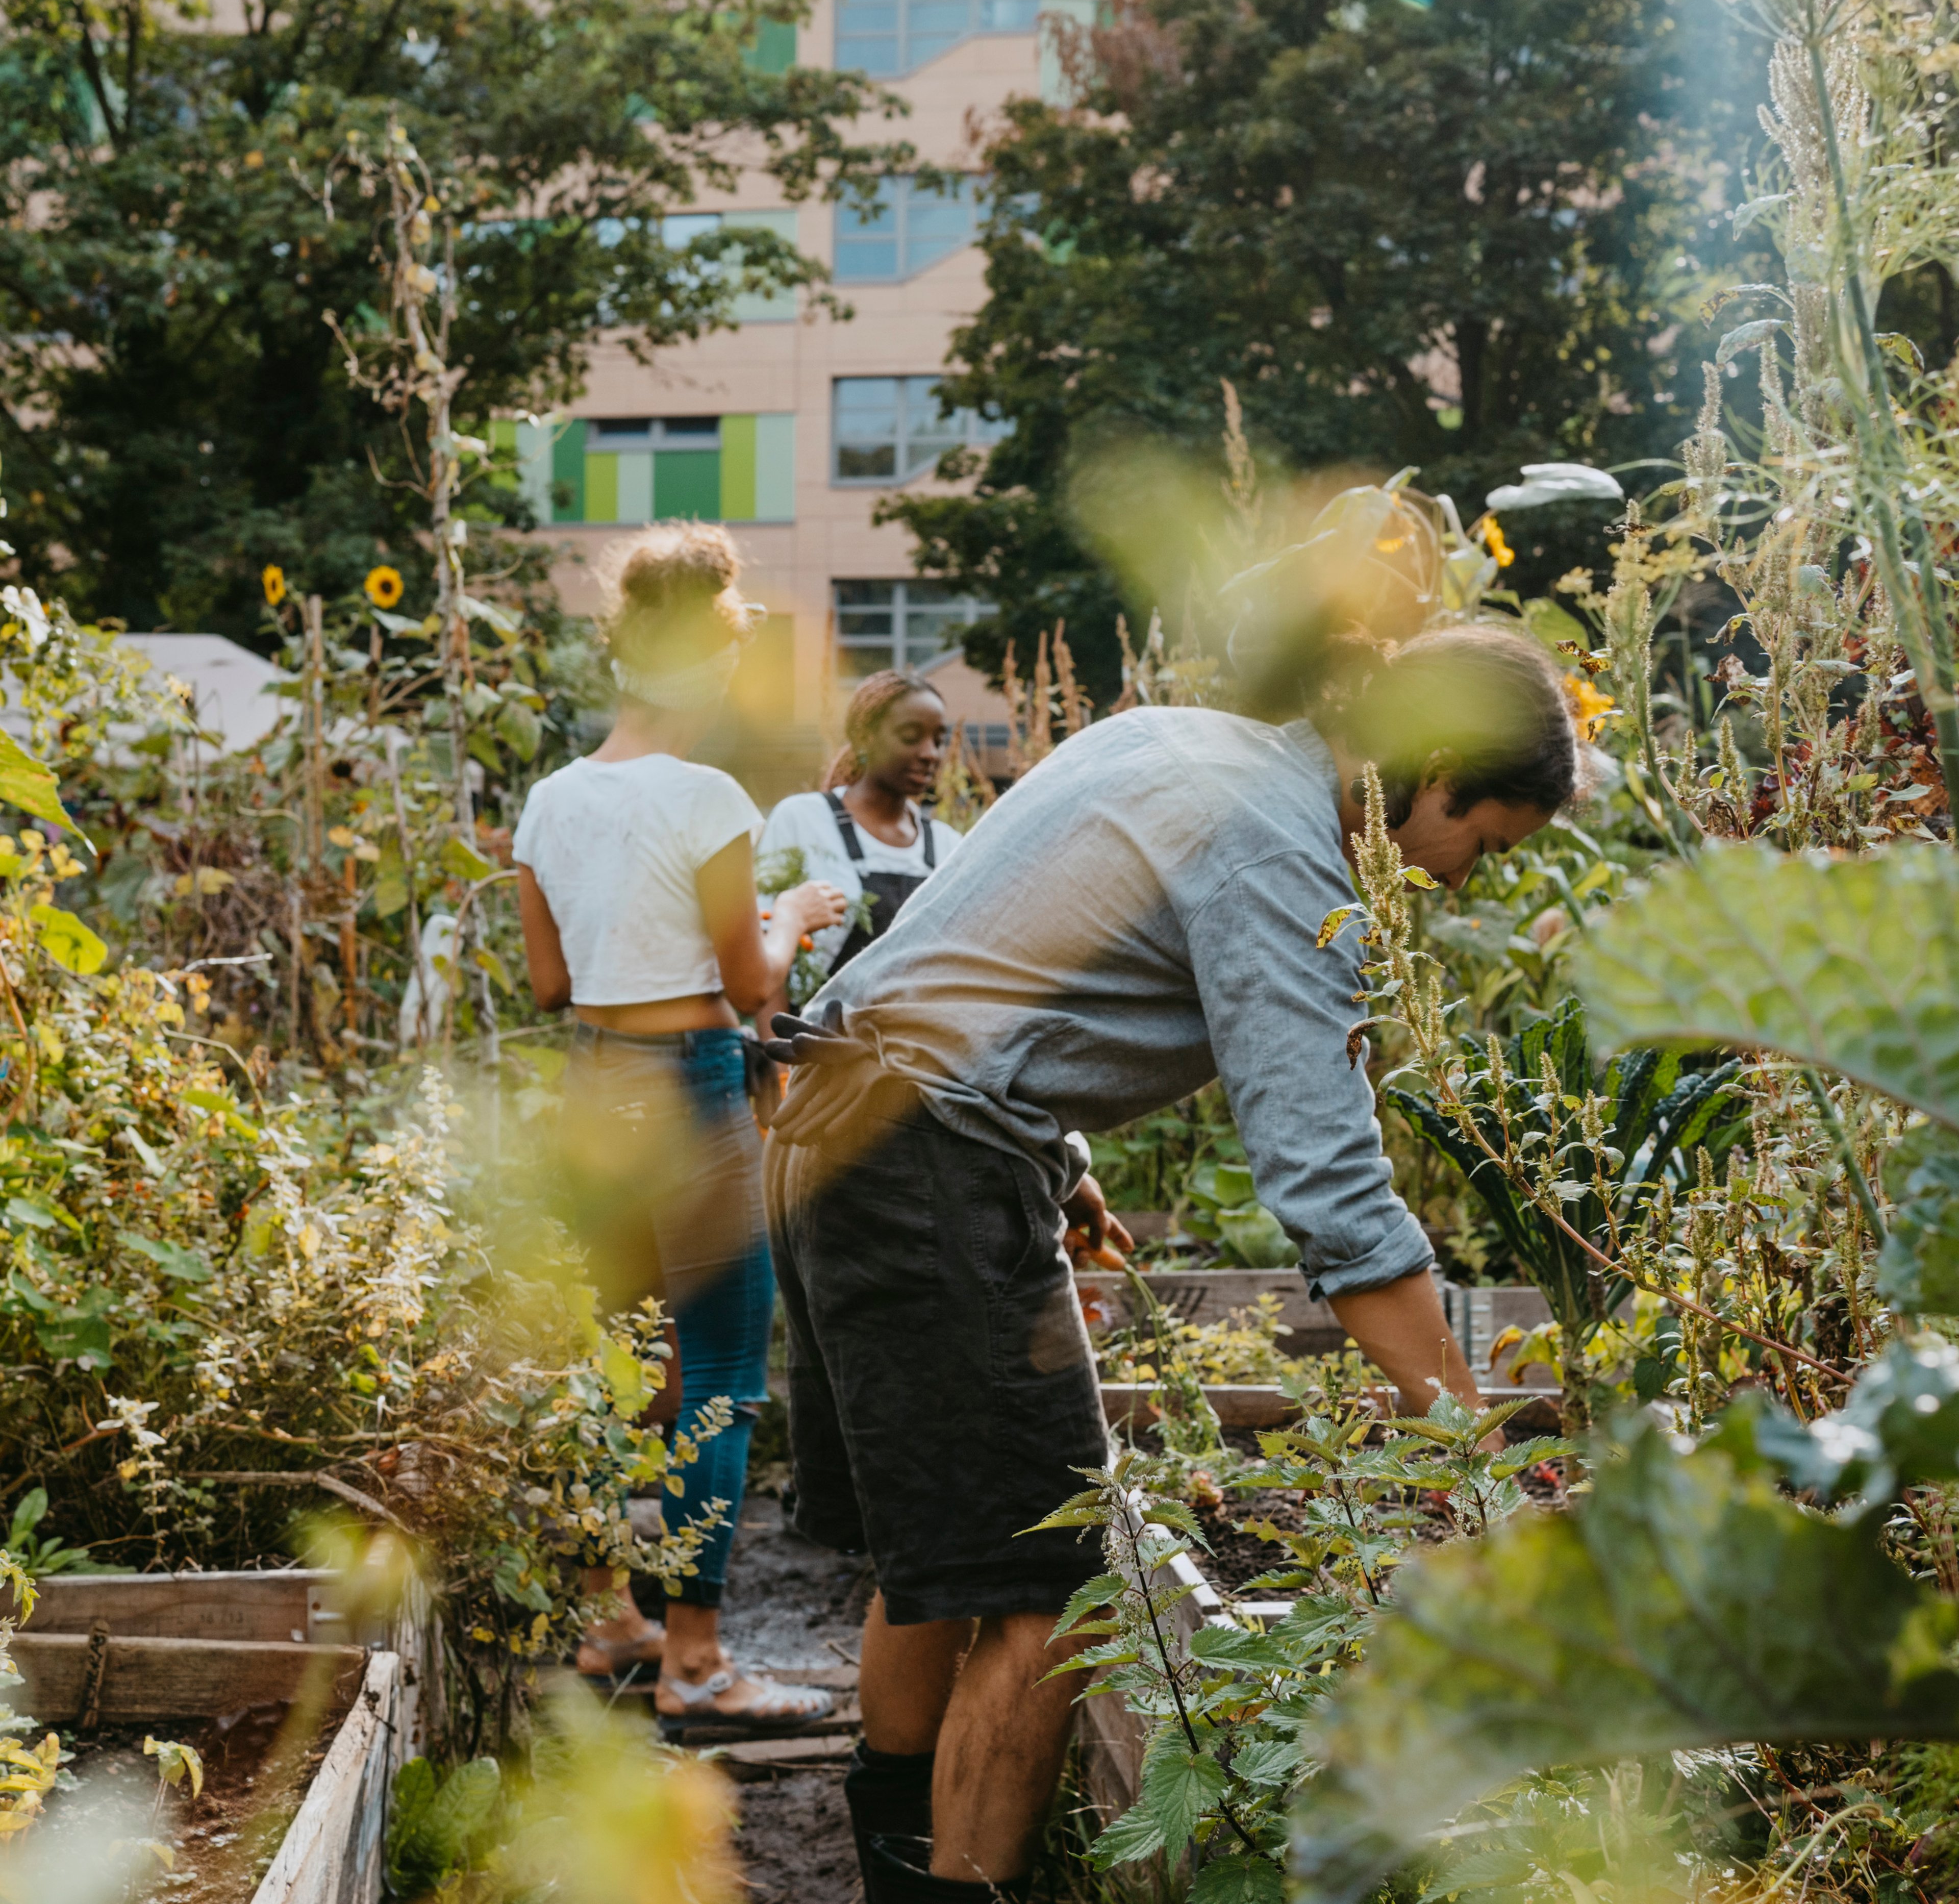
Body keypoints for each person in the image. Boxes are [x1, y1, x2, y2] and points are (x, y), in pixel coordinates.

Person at [761, 622, 1581, 1901]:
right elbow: (1331, 1191)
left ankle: (897, 1866)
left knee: (939, 1560)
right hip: (927, 1161)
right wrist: (1472, 1458)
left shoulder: (1189, 743)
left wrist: (1061, 1156)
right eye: (1483, 845)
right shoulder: (1283, 855)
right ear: (1430, 765)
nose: (1467, 881)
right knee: (1054, 1583)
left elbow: (983, 937)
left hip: (847, 1120)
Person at [513, 519, 846, 1735]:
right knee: (713, 1380)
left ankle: (612, 1615)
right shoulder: (709, 796)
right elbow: (754, 984)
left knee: (618, 1372)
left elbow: (551, 985)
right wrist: (795, 913)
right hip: (692, 1087)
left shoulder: (549, 802)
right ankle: (697, 1662)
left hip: (592, 1086)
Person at [756, 671, 964, 1029]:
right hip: (813, 1047)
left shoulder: (948, 846)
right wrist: (778, 1063)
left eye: (939, 740)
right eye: (911, 737)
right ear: (865, 737)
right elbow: (765, 940)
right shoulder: (804, 819)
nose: (931, 754)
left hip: (915, 1054)